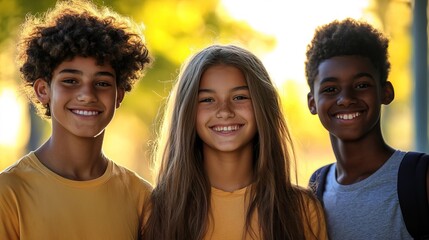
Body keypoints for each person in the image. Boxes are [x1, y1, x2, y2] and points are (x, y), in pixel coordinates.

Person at [142, 44, 327, 240]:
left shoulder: (301, 210)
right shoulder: (159, 210)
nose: (224, 111)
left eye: (239, 97)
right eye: (207, 100)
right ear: (187, 111)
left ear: (262, 106)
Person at [0, 0, 152, 239]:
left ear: (118, 95)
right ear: (43, 91)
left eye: (102, 83)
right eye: (70, 81)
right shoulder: (9, 193)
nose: (87, 95)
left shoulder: (142, 198)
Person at [305, 18, 429, 239]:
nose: (346, 99)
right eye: (331, 89)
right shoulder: (316, 187)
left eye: (361, 85)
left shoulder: (420, 178)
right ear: (312, 103)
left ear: (386, 92)